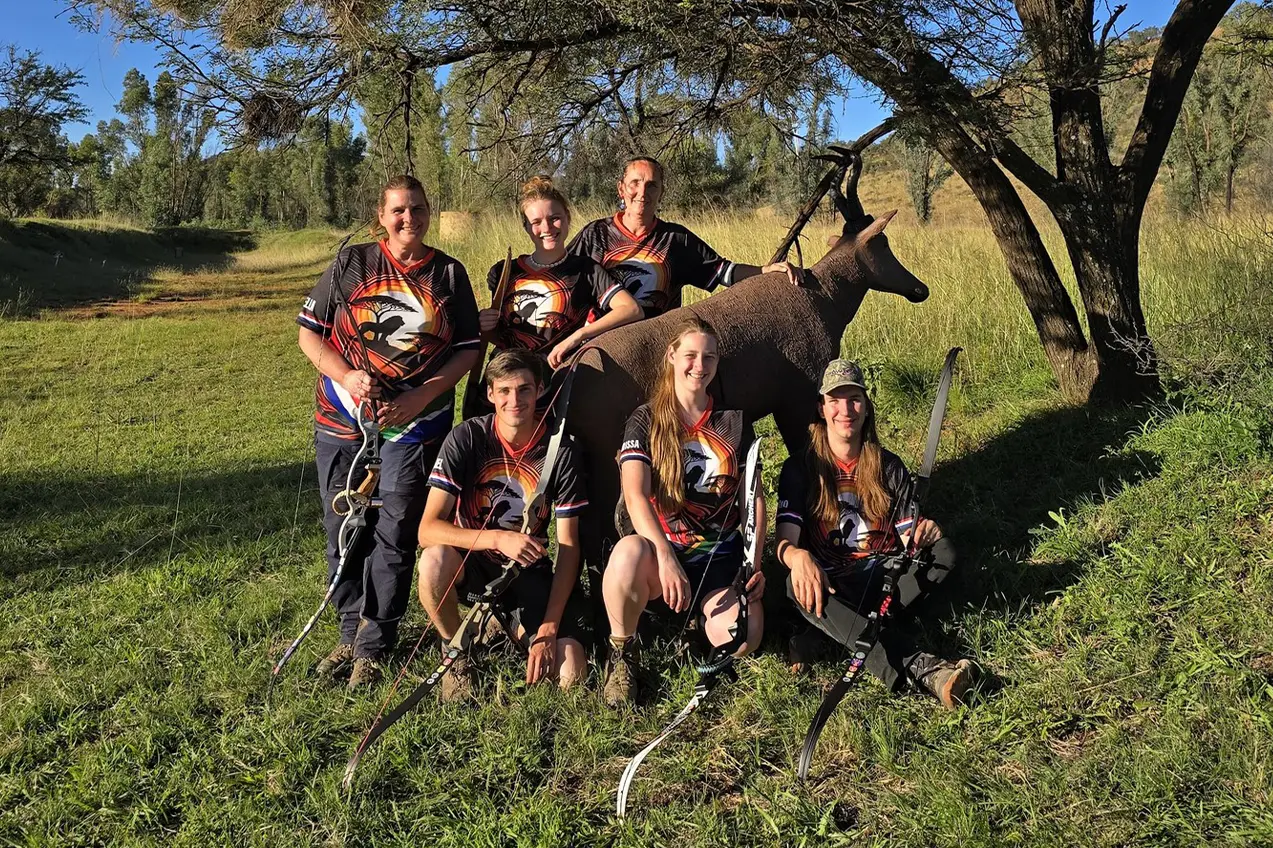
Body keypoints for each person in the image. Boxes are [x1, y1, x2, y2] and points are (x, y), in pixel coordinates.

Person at [296, 174, 480, 689]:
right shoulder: (351, 264)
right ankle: (348, 633)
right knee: (343, 528)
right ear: (382, 215)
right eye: (398, 210)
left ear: (428, 212)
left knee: (394, 533)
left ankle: (375, 647)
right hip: (342, 418)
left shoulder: (448, 272)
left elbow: (467, 348)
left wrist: (419, 398)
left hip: (415, 425)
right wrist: (346, 375)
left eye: (418, 209)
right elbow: (309, 334)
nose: (409, 219)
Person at [775, 359, 974, 708]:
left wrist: (923, 533)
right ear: (822, 409)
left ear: (866, 408)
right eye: (835, 400)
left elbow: (906, 534)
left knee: (944, 554)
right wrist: (797, 556)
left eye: (854, 399)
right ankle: (922, 668)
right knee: (795, 584)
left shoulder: (889, 466)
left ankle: (831, 635)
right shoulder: (798, 468)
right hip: (832, 583)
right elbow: (785, 541)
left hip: (884, 577)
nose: (845, 409)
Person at [600, 315, 765, 706]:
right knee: (625, 555)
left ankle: (700, 623)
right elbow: (636, 495)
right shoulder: (644, 419)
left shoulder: (734, 422)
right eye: (690, 355)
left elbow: (753, 498)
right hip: (663, 555)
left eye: (709, 357)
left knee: (745, 638)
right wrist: (664, 554)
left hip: (719, 558)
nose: (699, 365)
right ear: (672, 356)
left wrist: (753, 567)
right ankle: (622, 654)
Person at [417, 349, 590, 700]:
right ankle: (457, 653)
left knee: (572, 672)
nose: (515, 400)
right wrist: (497, 538)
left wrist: (548, 628)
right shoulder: (466, 438)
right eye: (505, 391)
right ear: (490, 394)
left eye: (524, 389)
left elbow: (569, 548)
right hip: (471, 562)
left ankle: (504, 625)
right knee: (434, 563)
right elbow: (427, 530)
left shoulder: (561, 452)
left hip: (527, 570)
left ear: (540, 389)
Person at [568, 156, 800, 319]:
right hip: (601, 343)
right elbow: (562, 278)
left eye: (652, 185)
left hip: (658, 343)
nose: (642, 193)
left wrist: (765, 271)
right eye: (635, 183)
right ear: (621, 189)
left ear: (661, 191)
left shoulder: (675, 239)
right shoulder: (595, 235)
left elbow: (723, 272)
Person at [478, 176, 643, 378]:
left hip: (558, 381)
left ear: (567, 218)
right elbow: (498, 335)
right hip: (510, 382)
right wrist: (484, 324)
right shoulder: (504, 271)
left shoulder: (586, 270)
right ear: (527, 228)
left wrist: (578, 336)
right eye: (536, 222)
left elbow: (632, 309)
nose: (547, 228)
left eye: (554, 218)